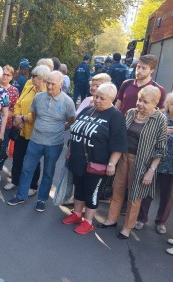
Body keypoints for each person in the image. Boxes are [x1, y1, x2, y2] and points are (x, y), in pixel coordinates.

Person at [98, 85, 167, 239]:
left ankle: (127, 228)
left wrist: (151, 171)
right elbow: (119, 135)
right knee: (117, 190)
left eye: (145, 102)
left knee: (135, 197)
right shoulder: (130, 113)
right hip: (123, 158)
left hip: (142, 163)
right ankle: (111, 219)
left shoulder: (160, 120)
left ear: (155, 103)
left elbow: (161, 149)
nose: (140, 104)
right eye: (139, 100)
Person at [61, 83, 127, 234]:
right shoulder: (87, 109)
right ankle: (77, 214)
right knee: (79, 188)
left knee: (91, 192)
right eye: (96, 96)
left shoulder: (116, 116)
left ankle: (88, 221)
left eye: (101, 98)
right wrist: (70, 149)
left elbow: (119, 144)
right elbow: (75, 132)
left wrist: (112, 164)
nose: (97, 100)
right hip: (78, 159)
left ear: (112, 98)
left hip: (97, 163)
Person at [7, 71, 76, 212]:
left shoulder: (67, 102)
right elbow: (35, 114)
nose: (49, 87)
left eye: (53, 84)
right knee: (27, 169)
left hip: (54, 144)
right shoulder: (38, 98)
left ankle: (41, 200)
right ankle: (21, 195)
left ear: (61, 85)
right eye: (48, 83)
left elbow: (71, 120)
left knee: (48, 172)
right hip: (35, 141)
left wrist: (60, 129)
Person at [3, 65, 50, 195]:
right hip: (21, 130)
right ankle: (15, 181)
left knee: (33, 159)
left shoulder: (46, 93)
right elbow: (18, 103)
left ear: (41, 78)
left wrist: (23, 118)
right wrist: (17, 117)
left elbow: (41, 113)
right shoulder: (29, 88)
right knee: (18, 157)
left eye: (34, 76)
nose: (31, 77)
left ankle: (33, 186)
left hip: (34, 132)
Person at [136, 92, 173, 234]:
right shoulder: (159, 119)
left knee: (167, 194)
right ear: (167, 105)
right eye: (172, 104)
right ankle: (141, 218)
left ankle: (161, 221)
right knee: (147, 190)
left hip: (171, 165)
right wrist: (165, 132)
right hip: (153, 161)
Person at [0, 64, 19, 182]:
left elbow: (16, 108)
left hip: (6, 125)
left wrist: (8, 114)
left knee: (2, 148)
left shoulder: (13, 90)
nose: (5, 76)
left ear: (11, 77)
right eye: (3, 74)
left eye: (8, 75)